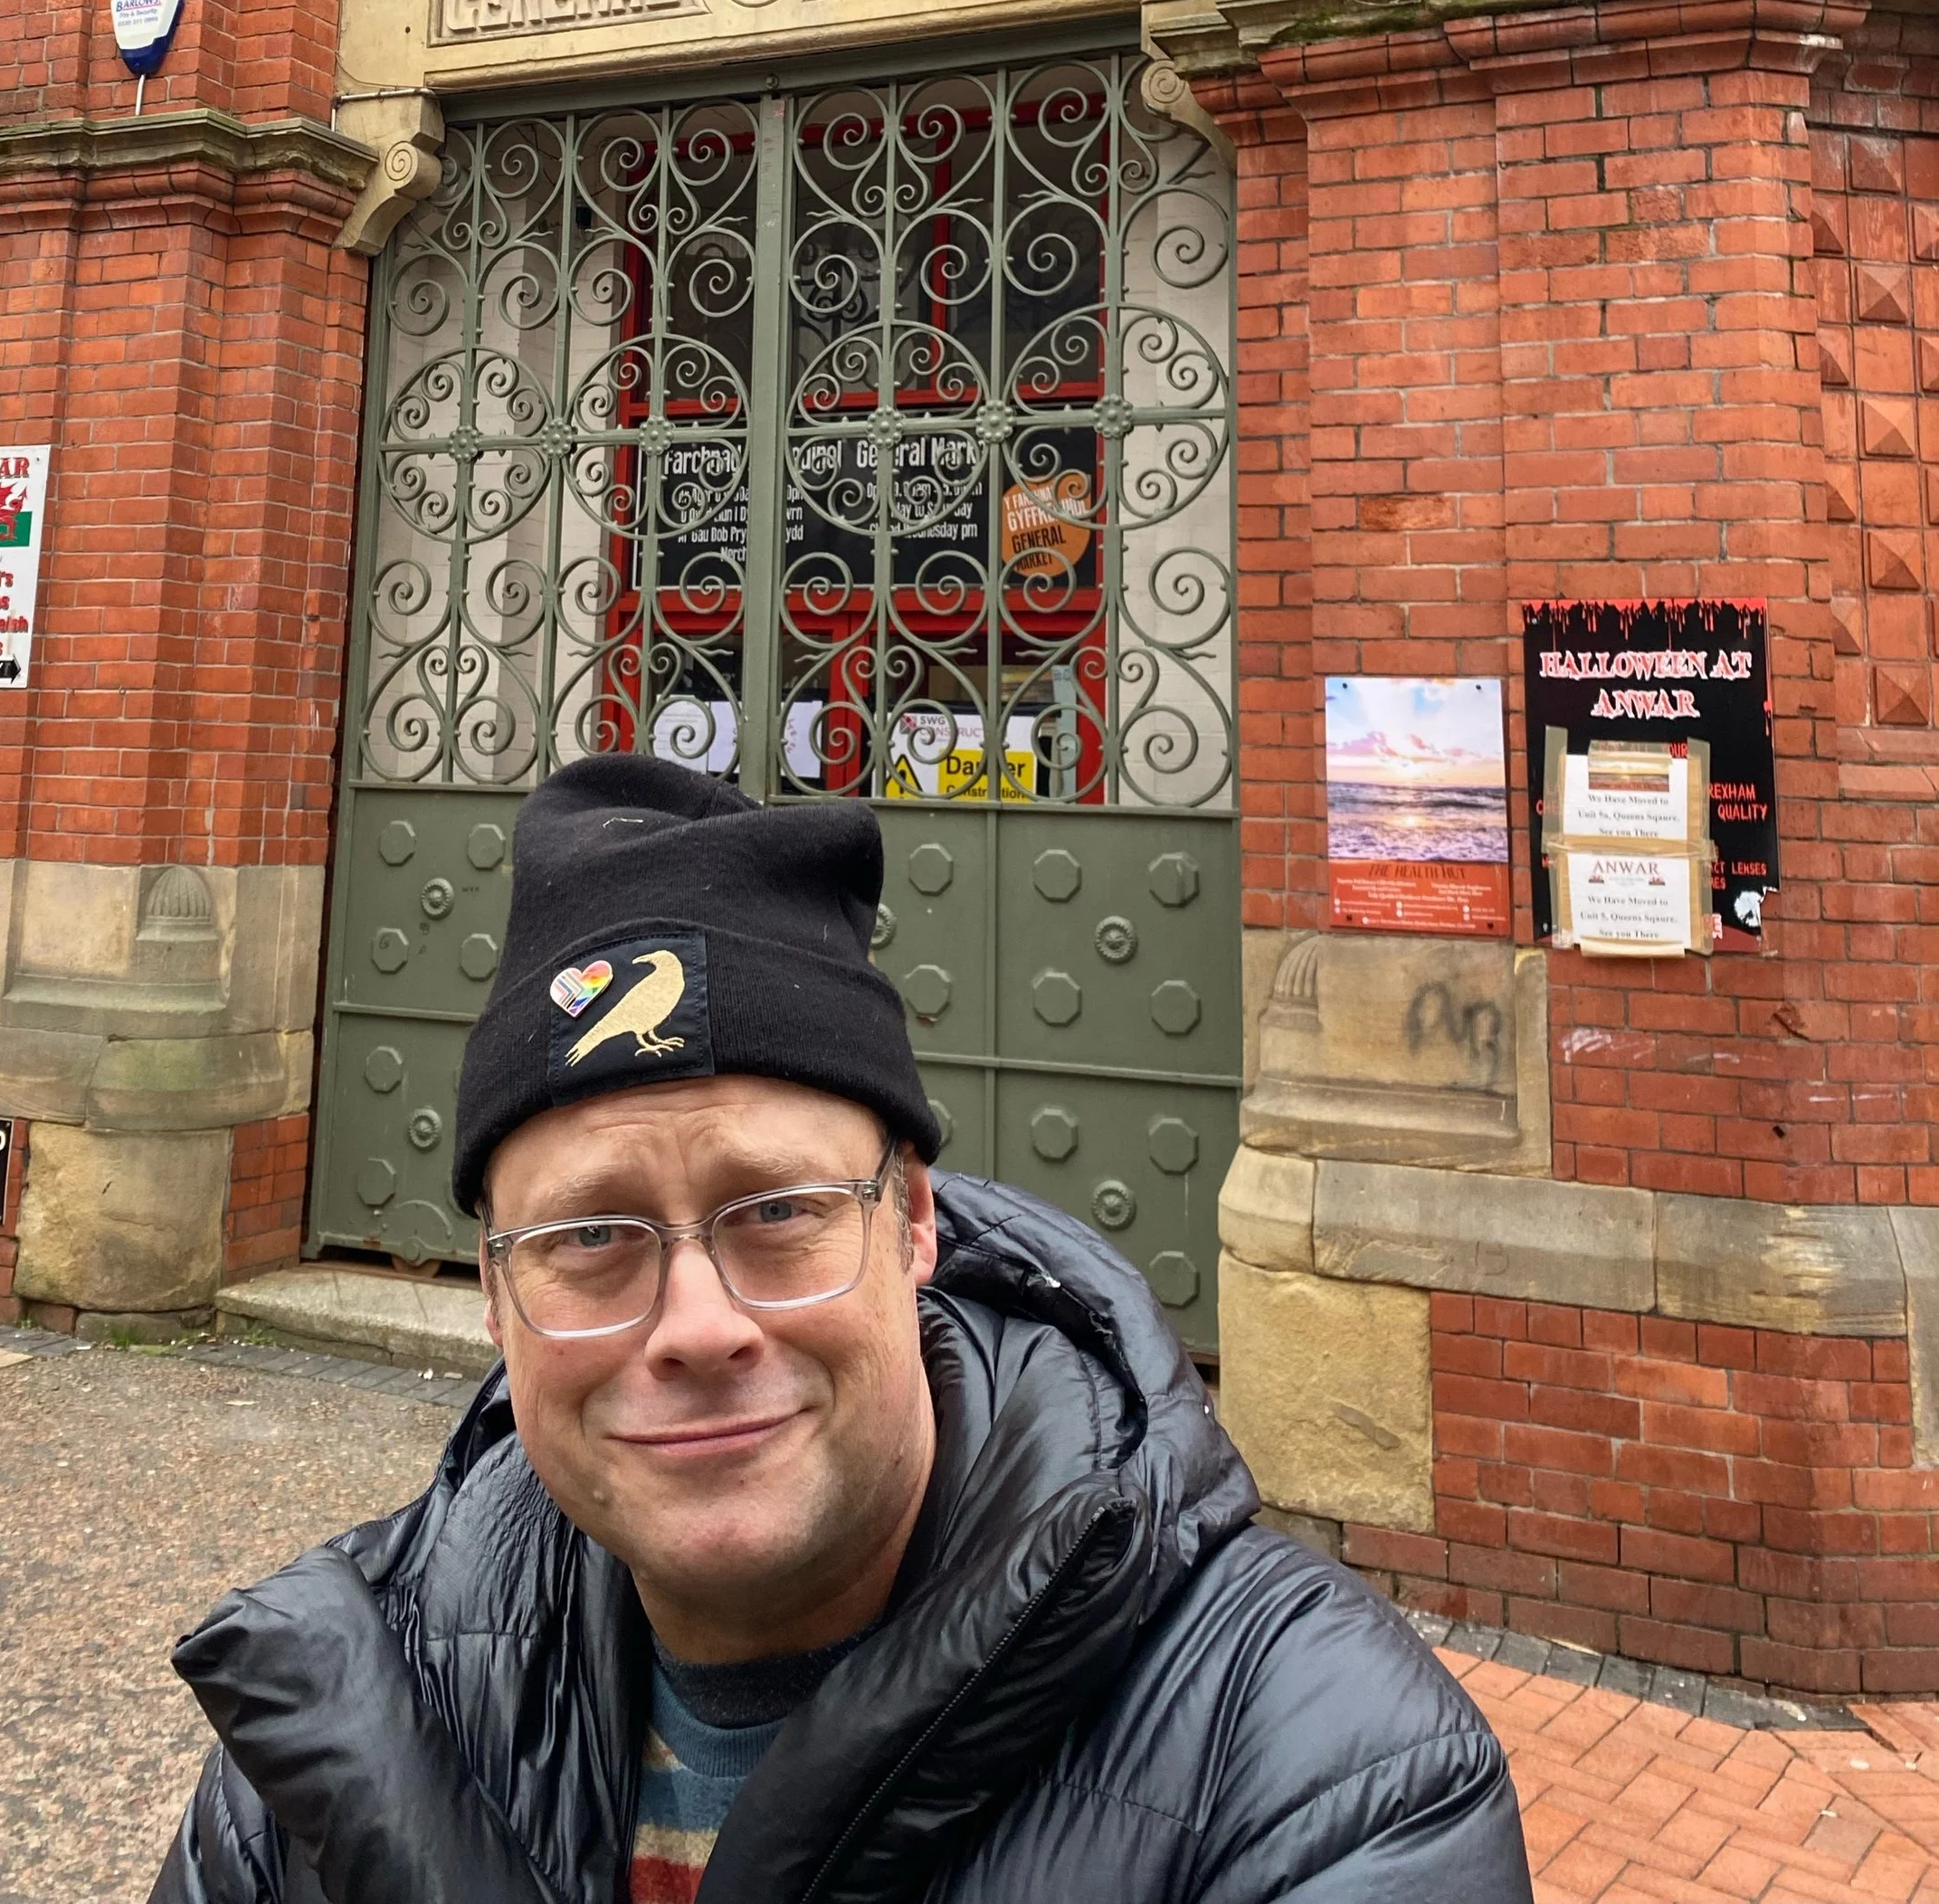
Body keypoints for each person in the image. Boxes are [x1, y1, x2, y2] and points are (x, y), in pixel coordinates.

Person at [153, 757, 1532, 1903]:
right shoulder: (329, 1729)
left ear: (916, 1225)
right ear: (496, 1289)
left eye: (779, 1212)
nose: (697, 1326)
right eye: (590, 1238)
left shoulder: (1316, 1770)